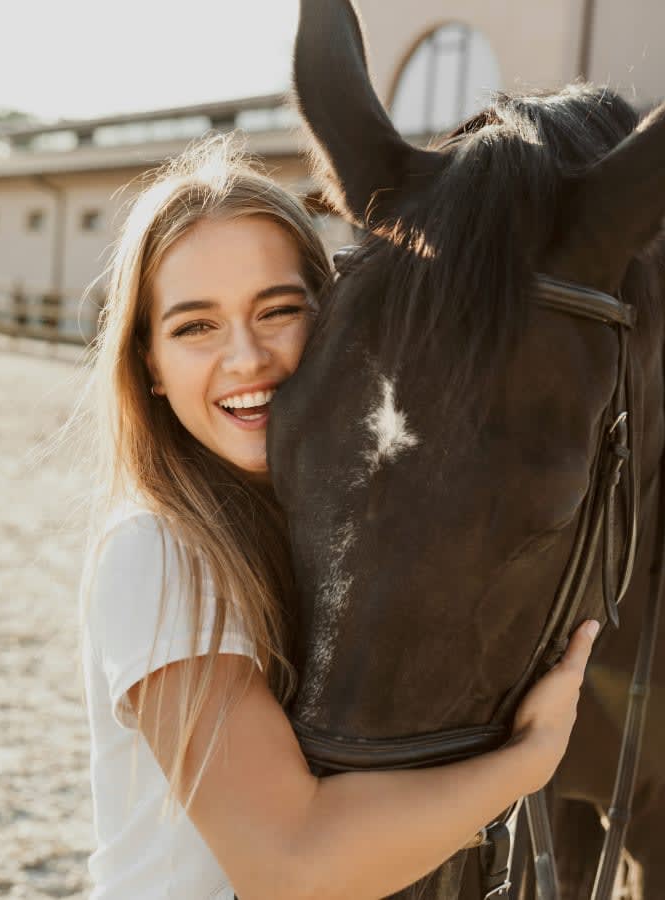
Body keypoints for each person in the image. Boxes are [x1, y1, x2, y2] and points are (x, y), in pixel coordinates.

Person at [80, 134, 599, 900]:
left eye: (279, 309)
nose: (246, 357)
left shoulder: (346, 531)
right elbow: (291, 864)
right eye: (195, 326)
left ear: (335, 322)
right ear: (149, 364)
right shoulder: (160, 552)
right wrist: (531, 756)